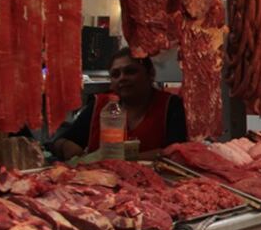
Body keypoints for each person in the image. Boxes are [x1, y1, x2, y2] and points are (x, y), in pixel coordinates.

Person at [51, 48, 188, 160]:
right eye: (115, 74)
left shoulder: (171, 106)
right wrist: (65, 146)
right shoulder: (100, 105)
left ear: (150, 74)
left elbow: (176, 152)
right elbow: (64, 140)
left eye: (130, 71)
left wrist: (120, 161)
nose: (122, 78)